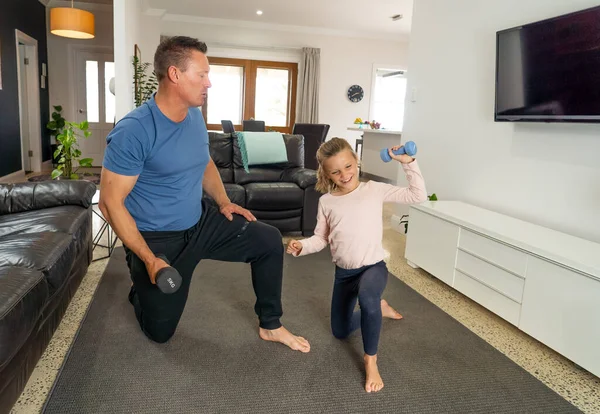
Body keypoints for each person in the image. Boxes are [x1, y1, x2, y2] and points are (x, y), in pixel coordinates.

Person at [98, 36, 310, 353]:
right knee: (160, 333)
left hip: (200, 221)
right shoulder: (135, 130)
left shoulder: (194, 114)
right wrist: (149, 259)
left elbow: (204, 160)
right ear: (175, 74)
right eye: (202, 75)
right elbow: (109, 202)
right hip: (158, 238)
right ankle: (140, 280)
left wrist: (224, 202)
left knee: (267, 241)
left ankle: (271, 324)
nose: (208, 83)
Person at [286, 137, 427, 392]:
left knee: (367, 296)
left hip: (373, 267)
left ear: (356, 161)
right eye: (336, 171)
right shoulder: (327, 202)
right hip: (344, 274)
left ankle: (370, 360)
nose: (345, 174)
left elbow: (418, 195)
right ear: (326, 173)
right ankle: (379, 308)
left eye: (348, 166)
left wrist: (408, 163)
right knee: (339, 331)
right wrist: (302, 246)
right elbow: (320, 239)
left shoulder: (374, 189)